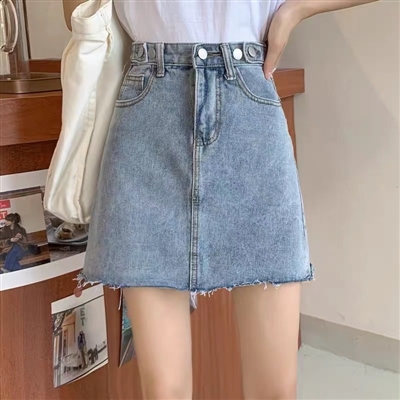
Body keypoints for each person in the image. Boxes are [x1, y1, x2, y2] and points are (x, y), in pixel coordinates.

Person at [64, 0, 379, 398]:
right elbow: (73, 10)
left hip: (249, 103)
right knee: (163, 390)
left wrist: (295, 10)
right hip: (147, 111)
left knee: (275, 389)